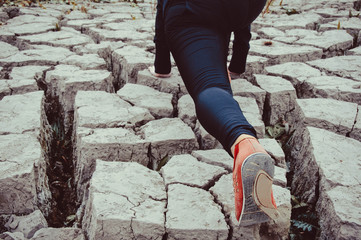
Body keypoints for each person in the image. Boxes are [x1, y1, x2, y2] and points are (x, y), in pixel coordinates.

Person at [150, 0, 278, 226]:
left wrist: (162, 66)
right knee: (217, 85)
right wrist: (237, 64)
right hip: (236, 10)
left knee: (209, 87)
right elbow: (241, 18)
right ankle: (245, 145)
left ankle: (243, 142)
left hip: (192, 12)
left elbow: (162, 12)